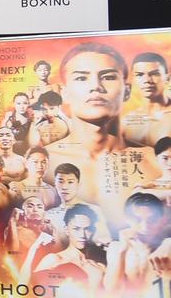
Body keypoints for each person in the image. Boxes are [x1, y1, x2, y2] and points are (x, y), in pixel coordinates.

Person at [45, 42, 160, 230]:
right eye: (81, 78)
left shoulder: (157, 163)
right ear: (64, 93)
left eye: (108, 77)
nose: (96, 87)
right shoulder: (41, 164)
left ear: (127, 91)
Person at [104, 192, 171, 293]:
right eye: (137, 219)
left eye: (152, 220)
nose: (145, 226)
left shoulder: (167, 247)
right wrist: (122, 252)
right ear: (127, 219)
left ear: (160, 219)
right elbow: (111, 291)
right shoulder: (116, 248)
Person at [29, 204, 106, 290]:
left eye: (87, 229)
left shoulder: (99, 267)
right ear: (67, 230)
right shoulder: (54, 259)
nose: (82, 235)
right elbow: (30, 288)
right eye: (76, 229)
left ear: (93, 231)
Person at [43, 162, 111, 245]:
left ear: (78, 184)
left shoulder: (94, 210)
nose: (64, 187)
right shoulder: (49, 215)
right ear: (55, 184)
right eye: (61, 181)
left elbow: (104, 240)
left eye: (70, 182)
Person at [122, 52, 171, 147]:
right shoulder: (126, 120)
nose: (147, 80)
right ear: (133, 79)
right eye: (139, 75)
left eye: (154, 74)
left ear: (167, 78)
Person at [135, 136, 171, 205]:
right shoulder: (148, 185)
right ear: (157, 159)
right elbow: (135, 195)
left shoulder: (144, 189)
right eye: (165, 158)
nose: (170, 163)